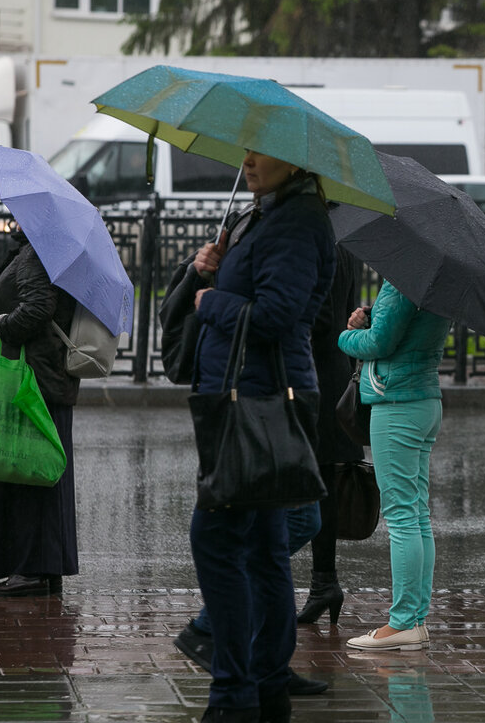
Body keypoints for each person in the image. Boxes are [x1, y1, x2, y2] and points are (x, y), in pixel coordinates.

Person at [188, 149, 335, 723]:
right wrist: (212, 266)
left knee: (216, 539)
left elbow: (276, 314)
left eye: (263, 153)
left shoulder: (299, 221)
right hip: (250, 395)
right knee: (266, 548)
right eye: (246, 151)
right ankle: (268, 685)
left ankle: (233, 693)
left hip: (262, 400)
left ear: (298, 162)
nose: (249, 160)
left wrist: (214, 300)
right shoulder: (268, 214)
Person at [337, 279, 450, 651]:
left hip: (396, 404)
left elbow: (379, 343)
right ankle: (415, 620)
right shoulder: (438, 284)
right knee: (416, 514)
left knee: (402, 516)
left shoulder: (404, 280)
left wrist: (346, 336)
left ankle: (402, 622)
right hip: (424, 400)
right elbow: (406, 330)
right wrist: (373, 316)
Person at [0, 224, 79, 597]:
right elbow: (34, 296)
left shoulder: (36, 251)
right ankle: (42, 569)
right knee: (41, 473)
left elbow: (37, 309)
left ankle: (30, 571)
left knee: (26, 473)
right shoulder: (41, 247)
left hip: (32, 382)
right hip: (46, 380)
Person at [297, 245, 366, 625]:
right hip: (332, 370)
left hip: (314, 377)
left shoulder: (316, 241)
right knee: (322, 481)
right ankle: (324, 582)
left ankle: (322, 583)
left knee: (310, 483)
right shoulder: (342, 243)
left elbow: (318, 317)